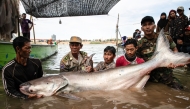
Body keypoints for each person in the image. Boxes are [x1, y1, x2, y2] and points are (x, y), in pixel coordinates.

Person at [137, 16, 184, 90]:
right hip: (150, 78)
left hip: (167, 74)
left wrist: (173, 61)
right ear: (142, 28)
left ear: (154, 26)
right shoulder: (139, 44)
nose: (147, 27)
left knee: (180, 90)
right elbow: (138, 61)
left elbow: (175, 49)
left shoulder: (164, 37)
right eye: (145, 25)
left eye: (150, 24)